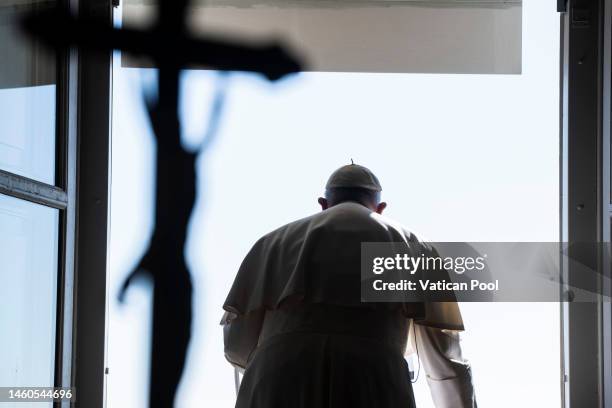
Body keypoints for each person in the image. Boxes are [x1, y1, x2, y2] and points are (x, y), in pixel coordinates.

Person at [220, 163, 477, 408]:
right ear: (381, 208)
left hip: (278, 378)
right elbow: (446, 362)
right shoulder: (414, 247)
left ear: (323, 204)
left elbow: (236, 345)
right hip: (371, 380)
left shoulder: (271, 244)